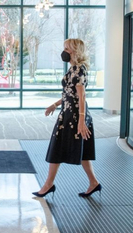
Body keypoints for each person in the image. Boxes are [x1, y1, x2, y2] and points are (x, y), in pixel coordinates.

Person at [32, 38, 101, 199]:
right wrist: (55, 105)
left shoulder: (78, 70)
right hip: (68, 113)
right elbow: (69, 94)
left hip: (75, 116)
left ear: (75, 51)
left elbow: (81, 96)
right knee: (81, 151)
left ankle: (48, 185)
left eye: (67, 49)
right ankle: (94, 183)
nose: (64, 52)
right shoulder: (73, 69)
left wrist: (81, 120)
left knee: (57, 148)